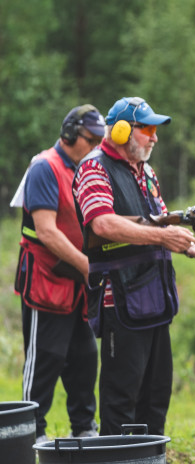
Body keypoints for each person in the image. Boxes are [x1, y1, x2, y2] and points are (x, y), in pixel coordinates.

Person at [72, 97, 195, 436]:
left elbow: (161, 226)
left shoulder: (147, 172)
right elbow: (103, 224)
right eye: (149, 130)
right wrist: (162, 238)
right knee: (120, 402)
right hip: (120, 301)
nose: (155, 138)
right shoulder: (94, 168)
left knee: (155, 399)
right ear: (123, 130)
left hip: (154, 300)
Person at [14, 105, 105, 443]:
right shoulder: (44, 168)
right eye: (90, 138)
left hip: (77, 284)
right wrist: (88, 266)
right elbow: (47, 231)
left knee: (84, 357)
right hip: (47, 280)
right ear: (69, 134)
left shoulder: (87, 168)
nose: (96, 145)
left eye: (100, 139)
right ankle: (30, 431)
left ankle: (83, 427)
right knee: (45, 358)